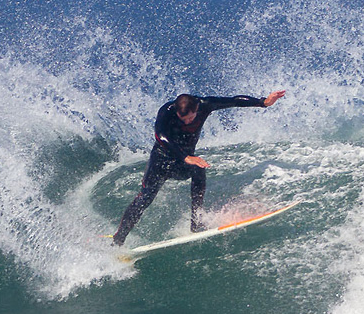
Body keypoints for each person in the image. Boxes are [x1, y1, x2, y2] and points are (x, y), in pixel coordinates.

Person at [112, 90, 286, 246]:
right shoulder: (167, 111)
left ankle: (196, 221)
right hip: (161, 160)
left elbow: (233, 101)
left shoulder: (204, 105)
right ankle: (118, 239)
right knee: (145, 197)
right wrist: (185, 156)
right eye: (183, 119)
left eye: (190, 118)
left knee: (199, 169)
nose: (187, 122)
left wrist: (263, 102)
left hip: (183, 163)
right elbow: (160, 136)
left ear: (196, 109)